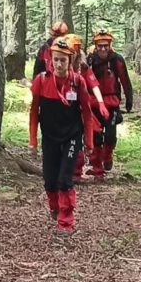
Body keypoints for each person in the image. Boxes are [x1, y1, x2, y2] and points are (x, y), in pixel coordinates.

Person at [29, 37, 95, 235]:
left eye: (63, 60)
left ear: (70, 61)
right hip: (49, 137)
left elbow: (87, 113)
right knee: (50, 180)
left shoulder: (78, 82)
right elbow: (34, 113)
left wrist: (89, 141)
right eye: (56, 59)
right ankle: (55, 208)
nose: (59, 64)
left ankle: (66, 221)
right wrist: (33, 140)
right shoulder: (41, 81)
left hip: (72, 137)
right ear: (50, 59)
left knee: (65, 178)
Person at [87, 29, 134, 175]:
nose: (102, 49)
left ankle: (107, 157)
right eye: (99, 45)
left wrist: (129, 99)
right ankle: (96, 166)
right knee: (96, 136)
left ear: (110, 45)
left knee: (110, 135)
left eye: (105, 45)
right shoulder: (89, 60)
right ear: (95, 45)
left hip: (112, 103)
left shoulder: (116, 60)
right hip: (93, 103)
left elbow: (124, 79)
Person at [65, 34, 108, 181]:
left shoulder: (83, 67)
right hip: (67, 110)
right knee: (73, 139)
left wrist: (101, 102)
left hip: (84, 108)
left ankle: (97, 168)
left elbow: (93, 84)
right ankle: (74, 171)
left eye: (75, 50)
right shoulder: (60, 64)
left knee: (95, 135)